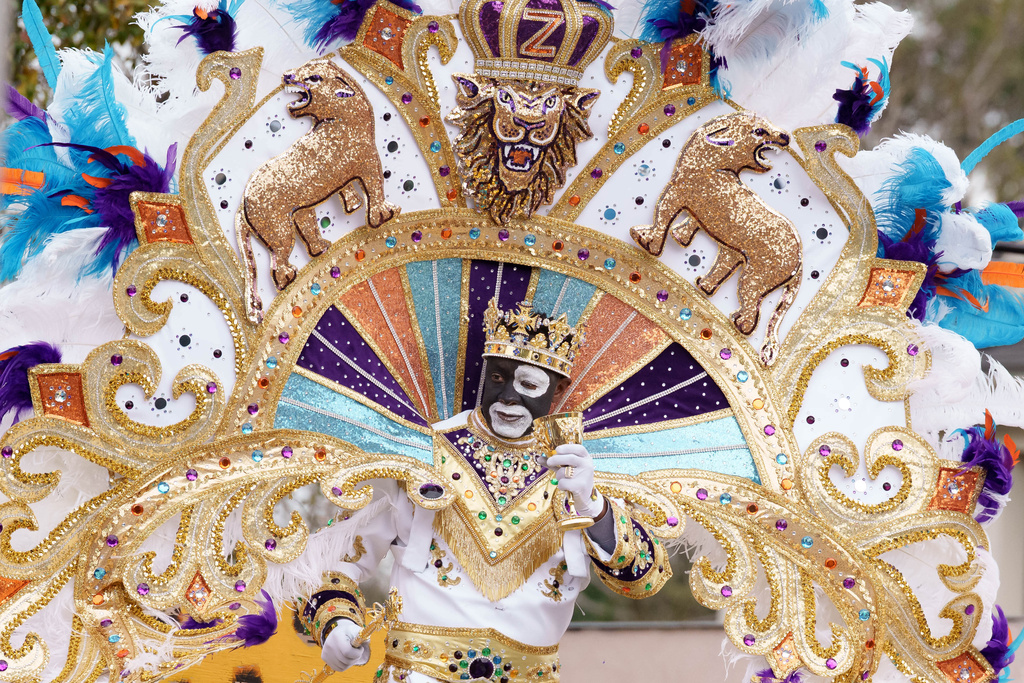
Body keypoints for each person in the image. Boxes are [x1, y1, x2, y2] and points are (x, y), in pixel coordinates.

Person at [296, 299, 672, 682]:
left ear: (557, 392)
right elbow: (330, 560)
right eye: (497, 379)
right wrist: (336, 624)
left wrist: (593, 506)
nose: (508, 397)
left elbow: (645, 580)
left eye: (527, 384)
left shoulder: (583, 473)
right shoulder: (421, 455)